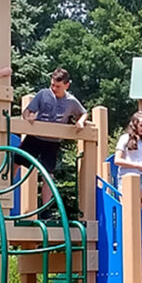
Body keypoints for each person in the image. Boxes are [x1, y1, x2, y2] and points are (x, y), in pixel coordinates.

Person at [14, 68, 88, 210]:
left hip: (52, 142)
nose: (54, 88)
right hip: (35, 137)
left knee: (48, 174)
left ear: (67, 85)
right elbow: (28, 111)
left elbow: (83, 113)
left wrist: (80, 121)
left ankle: (45, 209)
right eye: (52, 85)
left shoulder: (71, 101)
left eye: (58, 86)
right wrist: (29, 117)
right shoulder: (43, 94)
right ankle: (6, 191)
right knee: (16, 161)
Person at [114, 111, 142, 193]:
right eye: (141, 125)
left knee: (140, 205)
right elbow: (117, 160)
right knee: (127, 204)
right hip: (127, 176)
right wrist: (137, 165)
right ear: (135, 125)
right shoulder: (125, 138)